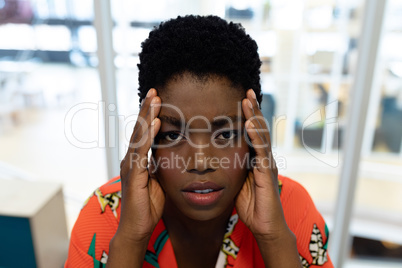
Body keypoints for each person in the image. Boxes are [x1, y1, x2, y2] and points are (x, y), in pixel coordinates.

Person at [65, 15, 333, 268]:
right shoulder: (105, 214)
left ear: (254, 137)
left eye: (226, 134)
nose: (201, 162)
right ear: (147, 141)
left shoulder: (290, 207)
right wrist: (131, 239)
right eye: (172, 135)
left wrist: (274, 238)